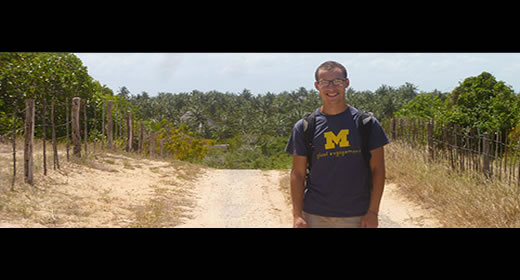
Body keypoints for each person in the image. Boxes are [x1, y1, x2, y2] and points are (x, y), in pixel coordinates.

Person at [285, 61, 390, 228]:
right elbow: (297, 173)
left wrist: (373, 212)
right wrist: (297, 215)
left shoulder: (367, 124)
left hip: (357, 215)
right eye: (324, 82)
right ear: (317, 86)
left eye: (337, 81)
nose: (331, 87)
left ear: (346, 83)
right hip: (314, 215)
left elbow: (378, 170)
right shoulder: (304, 127)